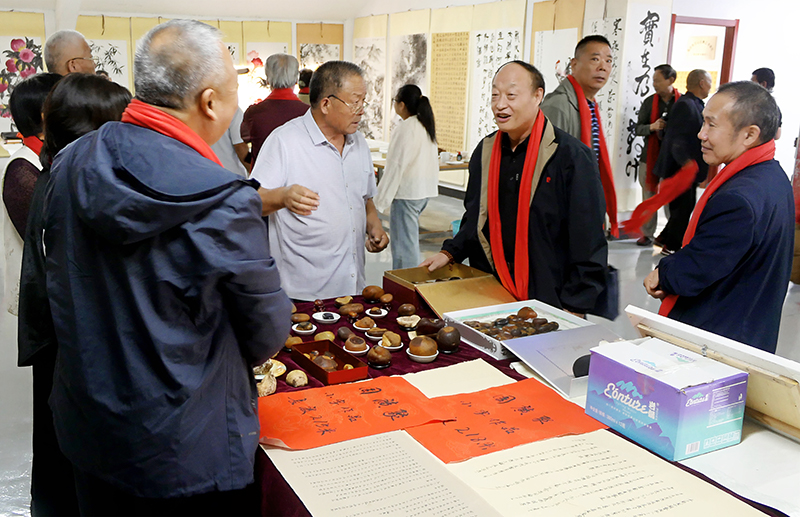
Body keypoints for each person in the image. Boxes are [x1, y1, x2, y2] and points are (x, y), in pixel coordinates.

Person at [42, 20, 292, 514]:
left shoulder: (72, 161)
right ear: (210, 102)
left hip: (90, 420)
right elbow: (266, 329)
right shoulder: (222, 197)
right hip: (183, 444)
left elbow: (54, 277)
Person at [17, 72, 130, 517]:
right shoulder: (74, 184)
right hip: (71, 344)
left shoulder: (62, 172)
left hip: (65, 338)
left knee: (60, 451)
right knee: (70, 456)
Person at [422, 61, 607, 316]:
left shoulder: (571, 157)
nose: (500, 104)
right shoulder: (485, 151)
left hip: (550, 298)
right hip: (491, 289)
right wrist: (450, 252)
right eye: (495, 95)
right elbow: (475, 218)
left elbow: (588, 240)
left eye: (511, 95)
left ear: (537, 96)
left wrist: (575, 305)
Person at [644, 81, 793, 354]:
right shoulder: (772, 176)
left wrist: (662, 274)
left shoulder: (739, 198)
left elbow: (699, 267)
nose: (701, 134)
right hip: (749, 329)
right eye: (703, 123)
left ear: (749, 135)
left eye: (711, 125)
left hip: (717, 341)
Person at [252, 60, 389, 301]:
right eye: (354, 101)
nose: (361, 110)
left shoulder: (359, 145)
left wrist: (374, 225)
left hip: (353, 289)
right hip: (303, 295)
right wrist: (283, 196)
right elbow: (252, 201)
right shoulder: (285, 141)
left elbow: (365, 199)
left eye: (363, 101)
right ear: (326, 103)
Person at [541, 35, 618, 237]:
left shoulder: (589, 104)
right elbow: (547, 172)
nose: (603, 67)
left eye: (608, 61)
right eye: (595, 59)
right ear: (574, 64)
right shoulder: (558, 105)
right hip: (563, 218)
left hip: (583, 207)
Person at [2, 73, 60, 316]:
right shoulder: (23, 169)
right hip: (44, 302)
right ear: (47, 116)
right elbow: (48, 245)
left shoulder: (54, 158)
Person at [374, 84, 439, 269]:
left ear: (401, 105)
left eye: (395, 102)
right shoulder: (424, 124)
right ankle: (406, 282)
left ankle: (405, 284)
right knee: (407, 242)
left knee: (404, 247)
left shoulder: (407, 128)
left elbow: (396, 166)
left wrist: (379, 201)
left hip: (407, 195)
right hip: (422, 193)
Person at [652, 69, 712, 254]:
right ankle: (671, 247)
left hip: (686, 168)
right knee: (682, 210)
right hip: (681, 169)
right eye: (709, 82)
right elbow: (676, 139)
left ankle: (664, 238)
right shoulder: (686, 105)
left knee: (682, 208)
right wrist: (686, 163)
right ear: (702, 83)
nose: (710, 86)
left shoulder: (693, 104)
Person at [633, 64, 680, 246]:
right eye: (653, 81)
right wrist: (652, 127)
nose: (654, 84)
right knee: (649, 196)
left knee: (671, 198)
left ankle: (671, 234)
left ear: (671, 80)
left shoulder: (681, 102)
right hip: (650, 157)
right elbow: (638, 128)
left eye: (658, 81)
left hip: (672, 159)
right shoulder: (649, 102)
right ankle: (647, 234)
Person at [241, 53, 309, 165]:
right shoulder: (309, 113)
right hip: (299, 178)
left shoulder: (254, 113)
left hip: (263, 177)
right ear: (296, 79)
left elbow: (244, 139)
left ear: (268, 79)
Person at [210, 106, 249, 176]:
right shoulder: (232, 110)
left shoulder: (192, 110)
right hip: (232, 174)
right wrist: (251, 169)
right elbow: (240, 147)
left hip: (206, 173)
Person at [751, 67, 781, 140]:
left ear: (763, 84)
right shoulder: (776, 109)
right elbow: (777, 135)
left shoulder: (751, 105)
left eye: (752, 82)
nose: (750, 86)